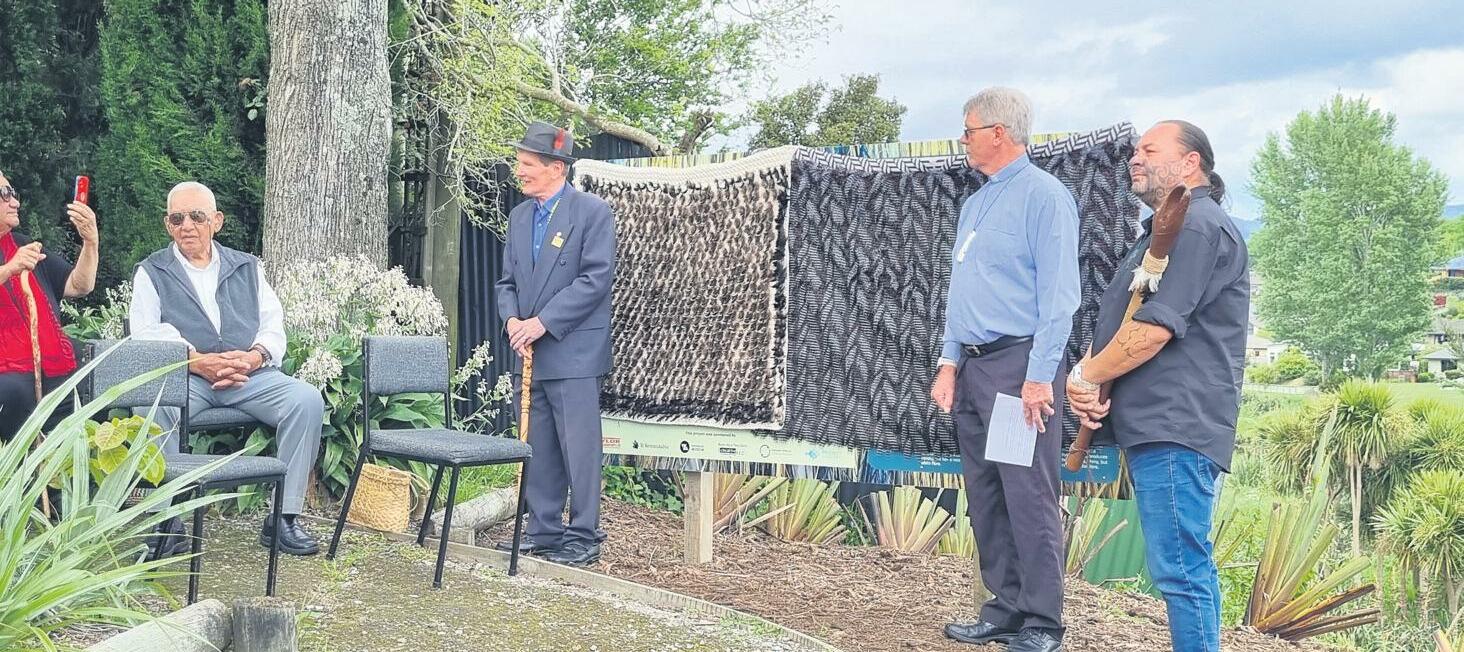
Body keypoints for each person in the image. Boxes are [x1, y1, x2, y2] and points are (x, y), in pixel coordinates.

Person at [1066, 121, 1248, 652]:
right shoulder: (1165, 229)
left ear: (1191, 163)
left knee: (1180, 569)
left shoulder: (1196, 226)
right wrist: (1091, 374)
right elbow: (1124, 322)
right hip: (1160, 423)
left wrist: (1085, 376)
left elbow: (1153, 329)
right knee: (1181, 566)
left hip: (1176, 424)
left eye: (1150, 149)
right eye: (1135, 150)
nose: (1135, 157)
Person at [931, 88, 1079, 652]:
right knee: (987, 492)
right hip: (974, 369)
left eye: (968, 130)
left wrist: (1039, 376)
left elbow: (1060, 298)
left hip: (1019, 368)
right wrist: (949, 363)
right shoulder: (976, 202)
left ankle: (1043, 621)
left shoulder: (1045, 196)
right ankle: (1005, 609)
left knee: (1027, 493)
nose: (962, 140)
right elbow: (960, 294)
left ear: (999, 132)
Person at [129, 181, 324, 556]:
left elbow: (273, 325)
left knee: (306, 400)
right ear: (168, 224)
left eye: (196, 216)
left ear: (216, 221)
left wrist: (253, 357)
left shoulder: (247, 266)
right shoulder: (152, 271)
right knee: (153, 403)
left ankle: (283, 518)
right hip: (186, 377)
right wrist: (197, 361)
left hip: (248, 376)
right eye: (177, 218)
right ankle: (164, 521)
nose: (187, 225)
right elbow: (146, 334)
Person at [494, 121, 616, 567]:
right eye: (520, 163)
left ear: (556, 168)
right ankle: (543, 530)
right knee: (539, 447)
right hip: (529, 353)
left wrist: (541, 323)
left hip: (573, 354)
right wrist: (512, 320)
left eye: (528, 164)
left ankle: (584, 536)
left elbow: (595, 280)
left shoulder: (592, 212)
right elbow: (506, 283)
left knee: (579, 450)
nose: (520, 171)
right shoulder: (519, 217)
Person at [0, 169, 99, 441]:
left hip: (47, 366)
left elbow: (79, 285)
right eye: (4, 194)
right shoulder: (18, 257)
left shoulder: (22, 245)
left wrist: (90, 242)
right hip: (8, 375)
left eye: (13, 193)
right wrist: (9, 269)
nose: (15, 202)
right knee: (14, 392)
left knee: (96, 376)